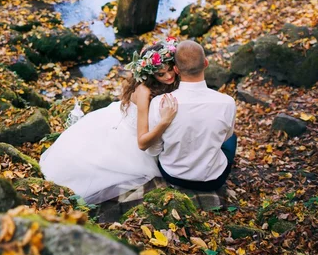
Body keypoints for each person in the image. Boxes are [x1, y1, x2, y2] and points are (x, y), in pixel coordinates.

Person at [39, 38, 180, 204]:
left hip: (118, 117)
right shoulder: (144, 91)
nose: (169, 76)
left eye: (171, 69)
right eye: (161, 74)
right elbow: (142, 141)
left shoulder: (167, 80)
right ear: (149, 74)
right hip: (130, 135)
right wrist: (165, 121)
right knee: (94, 161)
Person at [145, 40, 237, 191]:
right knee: (232, 138)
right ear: (206, 63)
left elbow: (153, 150)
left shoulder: (159, 103)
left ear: (176, 69)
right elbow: (226, 137)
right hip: (212, 179)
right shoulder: (227, 102)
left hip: (172, 174)